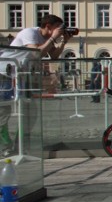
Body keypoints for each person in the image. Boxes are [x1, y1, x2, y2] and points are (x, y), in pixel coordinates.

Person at [0, 15, 69, 154]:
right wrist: (52, 38)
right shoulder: (29, 33)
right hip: (4, 74)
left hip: (21, 76)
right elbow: (36, 54)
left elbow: (54, 56)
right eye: (58, 28)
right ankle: (5, 146)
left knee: (30, 112)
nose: (60, 31)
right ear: (48, 26)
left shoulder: (45, 38)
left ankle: (20, 145)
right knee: (3, 112)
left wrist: (64, 42)